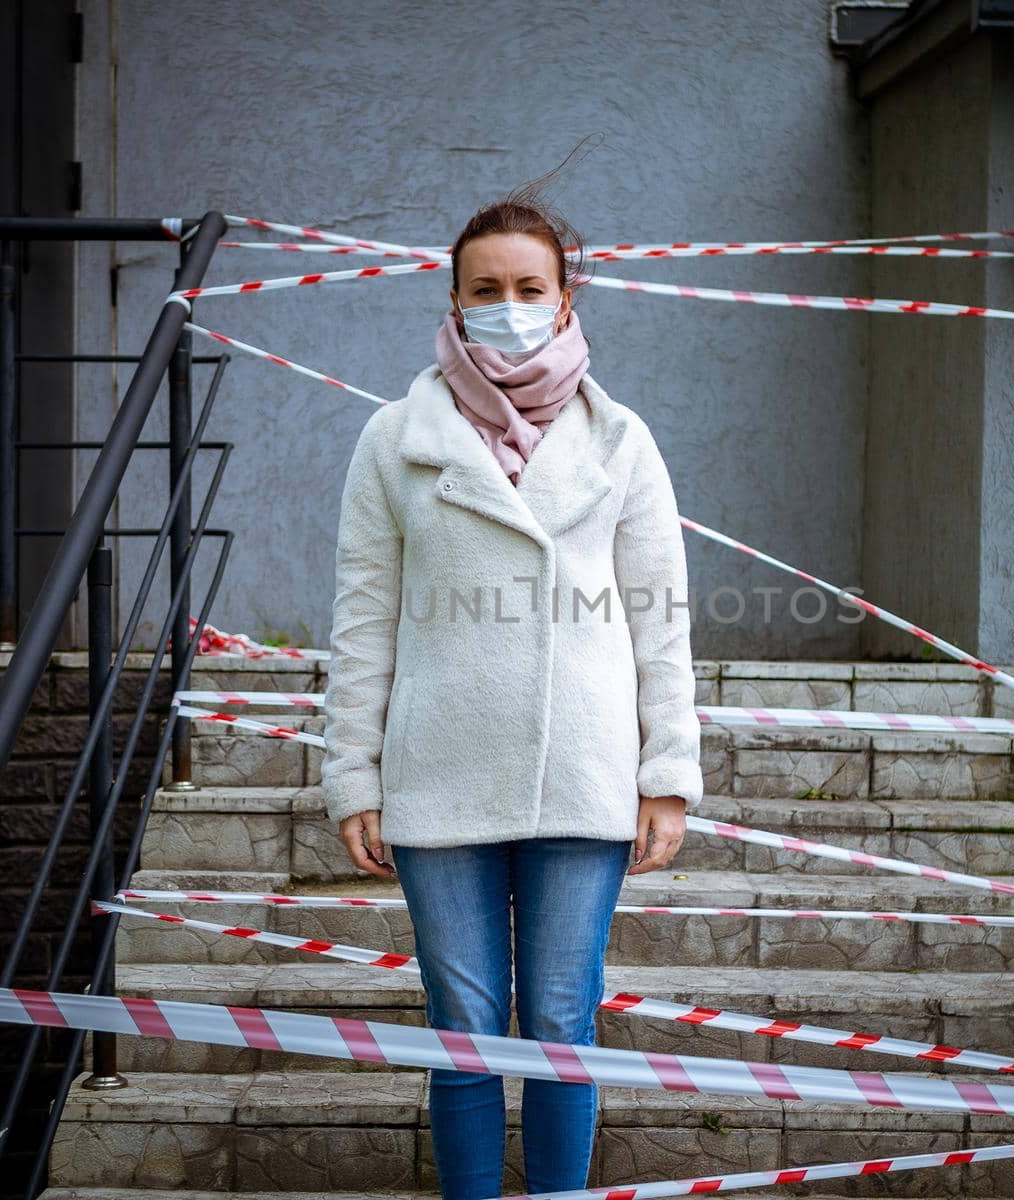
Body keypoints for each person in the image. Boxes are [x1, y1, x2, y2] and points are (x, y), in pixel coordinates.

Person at [319, 170, 704, 1200]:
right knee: (463, 1028)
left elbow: (660, 616)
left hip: (582, 771)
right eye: (486, 288)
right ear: (453, 302)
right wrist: (352, 775)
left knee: (563, 1022)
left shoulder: (621, 442)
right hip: (439, 774)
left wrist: (667, 770)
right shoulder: (394, 442)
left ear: (566, 301)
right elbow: (363, 619)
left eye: (530, 289)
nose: (509, 308)